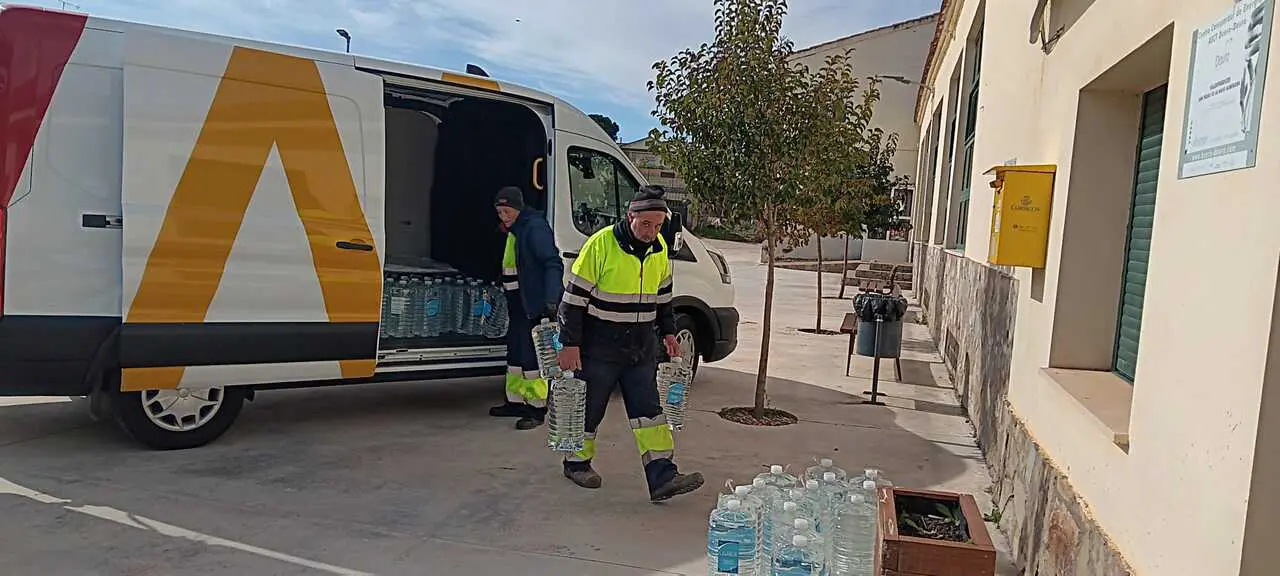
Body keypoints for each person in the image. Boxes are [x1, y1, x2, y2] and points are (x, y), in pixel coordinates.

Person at [557, 185, 705, 501]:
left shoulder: (659, 249)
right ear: (630, 216)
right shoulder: (601, 245)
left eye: (658, 225)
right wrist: (569, 344)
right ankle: (576, 464)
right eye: (645, 224)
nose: (651, 232)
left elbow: (663, 298)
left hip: (640, 348)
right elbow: (572, 301)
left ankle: (662, 476)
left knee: (650, 413)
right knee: (589, 410)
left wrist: (668, 333)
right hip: (600, 348)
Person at [489, 186, 564, 430]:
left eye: (507, 211)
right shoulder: (515, 230)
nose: (503, 216)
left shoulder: (534, 228)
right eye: (499, 212)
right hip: (517, 304)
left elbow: (552, 263)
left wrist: (551, 299)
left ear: (518, 208)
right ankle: (515, 401)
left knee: (532, 358)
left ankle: (536, 408)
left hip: (534, 304)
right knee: (516, 354)